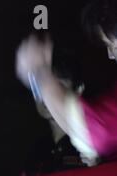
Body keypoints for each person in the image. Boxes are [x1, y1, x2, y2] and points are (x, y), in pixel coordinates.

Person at [15, 0, 117, 164]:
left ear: (79, 90)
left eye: (113, 46)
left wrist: (41, 72)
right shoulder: (38, 151)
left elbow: (99, 131)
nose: (111, 55)